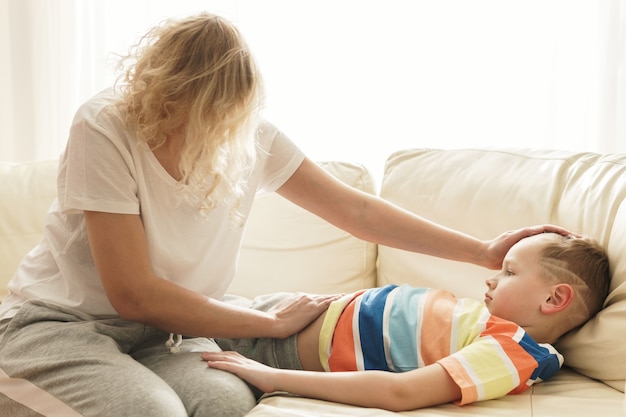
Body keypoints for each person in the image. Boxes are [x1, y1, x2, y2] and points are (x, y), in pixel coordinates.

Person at [0, 12, 571, 417]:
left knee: (223, 402)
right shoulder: (106, 125)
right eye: (181, 112)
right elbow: (133, 294)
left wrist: (484, 252)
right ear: (152, 91)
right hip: (62, 322)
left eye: (219, 117)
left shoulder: (249, 135)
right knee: (148, 411)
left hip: (168, 335)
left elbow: (355, 210)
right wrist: (267, 326)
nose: (197, 131)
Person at [204, 233, 610, 412]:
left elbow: (400, 392)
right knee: (170, 311)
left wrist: (275, 378)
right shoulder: (499, 325)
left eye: (508, 272)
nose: (491, 278)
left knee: (163, 325)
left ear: (554, 299)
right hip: (286, 311)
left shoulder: (516, 354)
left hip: (280, 346)